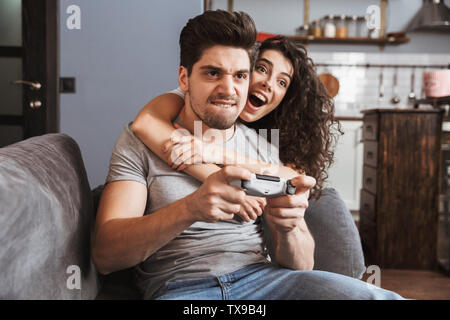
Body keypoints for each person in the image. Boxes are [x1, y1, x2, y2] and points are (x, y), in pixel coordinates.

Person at [92, 9, 404, 300]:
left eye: (240, 75)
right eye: (213, 73)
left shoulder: (266, 150)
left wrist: (289, 227)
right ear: (184, 79)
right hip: (184, 290)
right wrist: (190, 208)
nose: (229, 89)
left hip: (267, 280)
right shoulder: (141, 140)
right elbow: (106, 256)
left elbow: (302, 263)